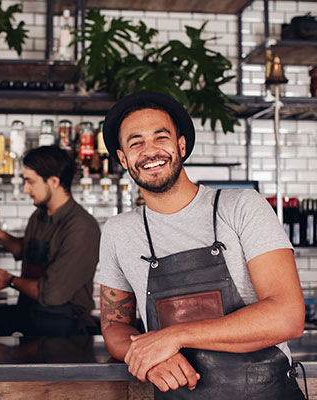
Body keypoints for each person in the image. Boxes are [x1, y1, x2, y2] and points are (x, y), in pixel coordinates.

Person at [97, 91, 306, 399]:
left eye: (160, 137)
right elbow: (115, 326)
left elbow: (288, 316)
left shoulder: (241, 207)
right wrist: (148, 356)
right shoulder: (118, 231)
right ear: (123, 158)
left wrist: (173, 337)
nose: (150, 151)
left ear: (181, 145)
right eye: (136, 142)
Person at [0, 146, 100, 337]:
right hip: (33, 319)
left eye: (30, 181)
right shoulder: (39, 215)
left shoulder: (81, 227)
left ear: (54, 181)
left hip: (65, 330)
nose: (25, 189)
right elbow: (26, 251)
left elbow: (52, 293)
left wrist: (9, 280)